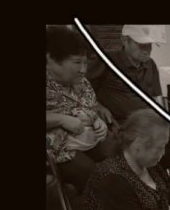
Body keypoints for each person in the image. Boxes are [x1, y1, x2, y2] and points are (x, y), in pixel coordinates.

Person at [86, 24, 170, 173]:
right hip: (120, 122)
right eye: (141, 45)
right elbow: (83, 88)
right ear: (125, 40)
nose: (147, 49)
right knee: (141, 142)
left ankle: (160, 173)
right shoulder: (106, 60)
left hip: (146, 120)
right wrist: (98, 106)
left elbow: (156, 97)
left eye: (149, 45)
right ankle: (147, 174)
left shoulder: (150, 64)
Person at [45, 25, 117, 193]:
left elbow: (90, 107)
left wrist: (97, 120)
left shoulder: (81, 82)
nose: (83, 70)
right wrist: (61, 119)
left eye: (85, 62)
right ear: (51, 60)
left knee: (119, 158)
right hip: (58, 150)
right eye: (77, 62)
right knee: (91, 174)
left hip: (88, 140)